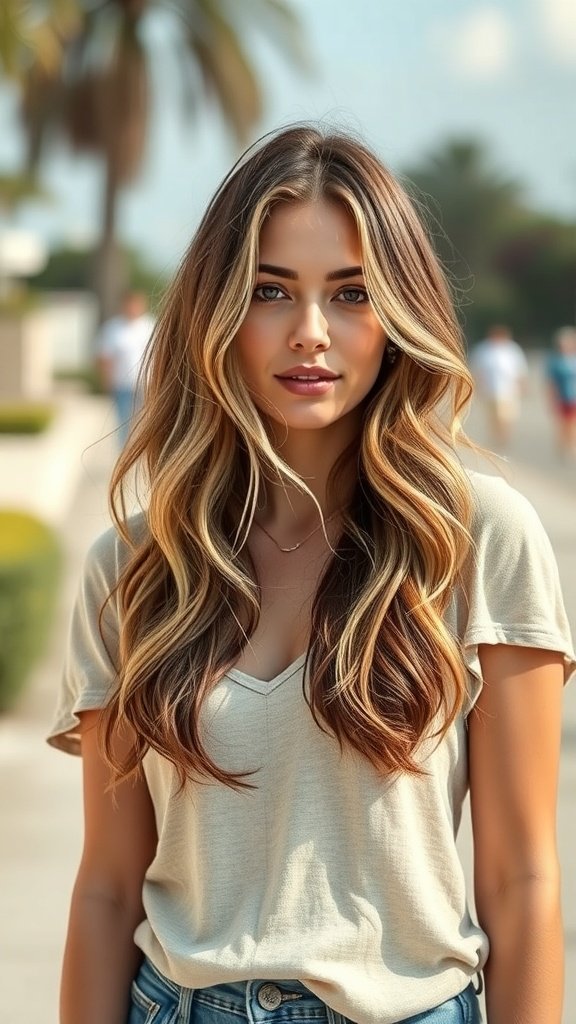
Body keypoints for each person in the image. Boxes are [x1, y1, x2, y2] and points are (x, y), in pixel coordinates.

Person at [48, 126, 575, 1024]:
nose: (310, 334)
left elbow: (521, 879)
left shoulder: (482, 539)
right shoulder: (136, 568)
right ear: (219, 312)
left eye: (352, 293)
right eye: (270, 291)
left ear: (401, 312)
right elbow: (106, 887)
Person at [95, 289, 155, 446]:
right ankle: (125, 457)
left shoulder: (150, 326)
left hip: (146, 384)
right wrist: (106, 379)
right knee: (123, 422)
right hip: (122, 384)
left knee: (146, 423)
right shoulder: (113, 329)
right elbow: (105, 357)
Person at [469, 324, 528, 449]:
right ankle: (496, 437)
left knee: (506, 417)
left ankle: (503, 438)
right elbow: (476, 370)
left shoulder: (512, 350)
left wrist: (522, 386)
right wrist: (476, 387)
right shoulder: (483, 350)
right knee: (493, 417)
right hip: (489, 391)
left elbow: (520, 370)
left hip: (509, 391)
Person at [545, 325, 576, 459]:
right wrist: (551, 398)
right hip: (562, 397)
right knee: (563, 424)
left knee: (572, 423)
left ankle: (571, 447)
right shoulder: (555, 361)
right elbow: (551, 382)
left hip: (574, 397)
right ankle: (563, 447)